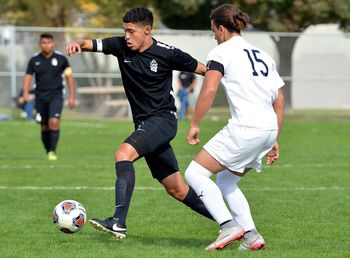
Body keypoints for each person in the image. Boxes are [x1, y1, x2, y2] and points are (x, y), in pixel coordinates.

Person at [66, 7, 213, 240]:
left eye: (131, 31)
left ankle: (118, 222)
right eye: (124, 30)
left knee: (123, 154)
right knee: (177, 189)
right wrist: (77, 43)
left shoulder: (168, 53)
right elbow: (90, 44)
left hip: (163, 120)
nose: (126, 36)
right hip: (145, 125)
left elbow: (206, 70)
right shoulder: (120, 46)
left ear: (147, 30)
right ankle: (231, 222)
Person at [184, 4, 285, 251]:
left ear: (220, 28)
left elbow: (208, 89)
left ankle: (228, 226)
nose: (214, 37)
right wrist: (274, 138)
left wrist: (195, 123)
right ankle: (252, 236)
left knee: (194, 174)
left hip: (246, 128)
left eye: (213, 31)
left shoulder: (220, 53)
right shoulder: (263, 54)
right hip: (267, 128)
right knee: (227, 181)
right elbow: (279, 99)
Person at [23, 33, 75, 161]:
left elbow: (69, 77)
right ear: (40, 44)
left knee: (54, 121)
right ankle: (48, 150)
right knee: (44, 126)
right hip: (40, 97)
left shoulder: (61, 58)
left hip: (56, 96)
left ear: (53, 43)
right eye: (44, 43)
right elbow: (28, 76)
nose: (47, 45)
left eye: (49, 42)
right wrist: (25, 93)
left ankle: (52, 151)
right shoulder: (34, 60)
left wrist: (72, 96)